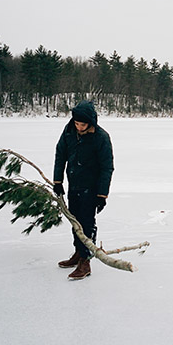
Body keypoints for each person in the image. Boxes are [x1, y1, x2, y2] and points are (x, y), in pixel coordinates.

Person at [53, 100, 114, 280]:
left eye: (83, 124)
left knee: (87, 223)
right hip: (74, 184)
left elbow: (107, 167)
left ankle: (85, 261)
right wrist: (58, 181)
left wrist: (102, 195)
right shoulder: (69, 131)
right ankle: (78, 253)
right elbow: (60, 155)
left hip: (91, 188)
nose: (79, 127)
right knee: (74, 221)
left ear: (91, 122)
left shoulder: (101, 137)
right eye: (77, 123)